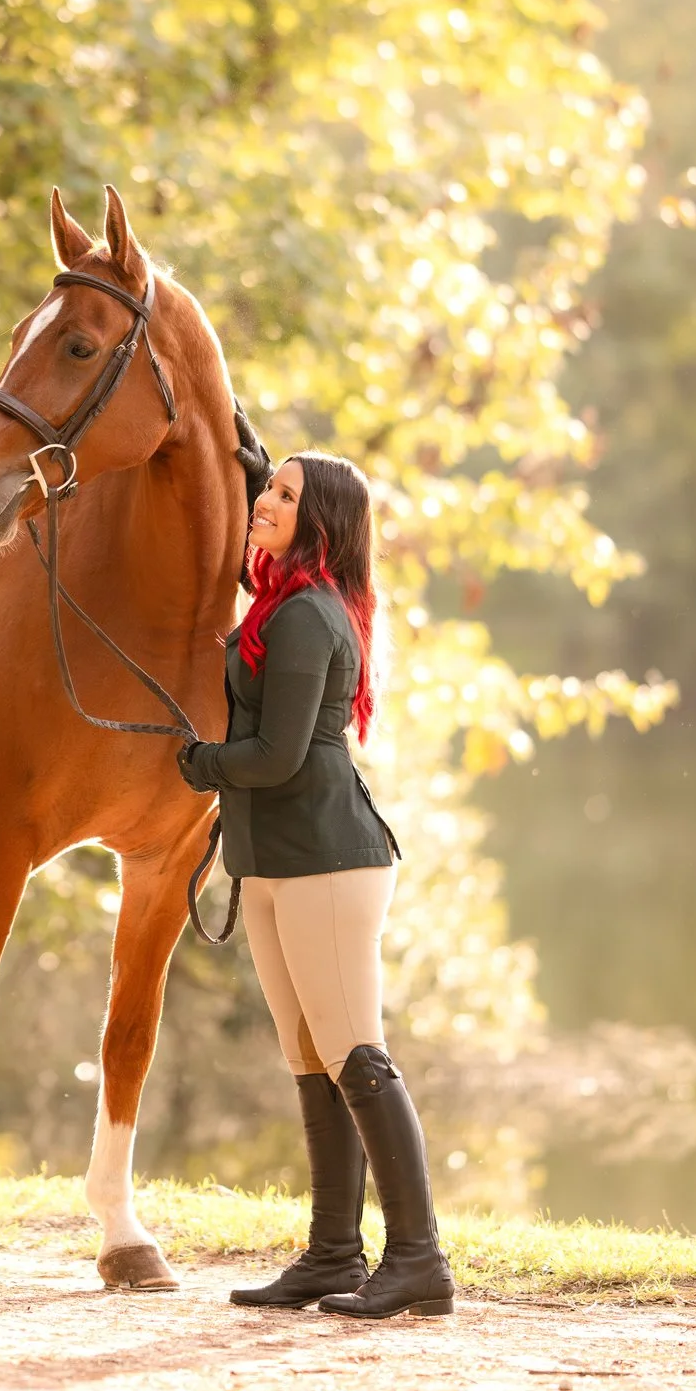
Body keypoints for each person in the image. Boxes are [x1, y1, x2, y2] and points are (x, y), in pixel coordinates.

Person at [178, 452, 455, 1320]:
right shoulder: (278, 605)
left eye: (286, 494)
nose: (266, 500)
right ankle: (334, 1253)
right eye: (268, 486)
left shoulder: (304, 616)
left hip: (329, 860)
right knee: (311, 1061)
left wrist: (197, 763)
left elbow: (277, 756)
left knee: (355, 1055)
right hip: (274, 860)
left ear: (321, 520)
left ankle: (418, 1260)